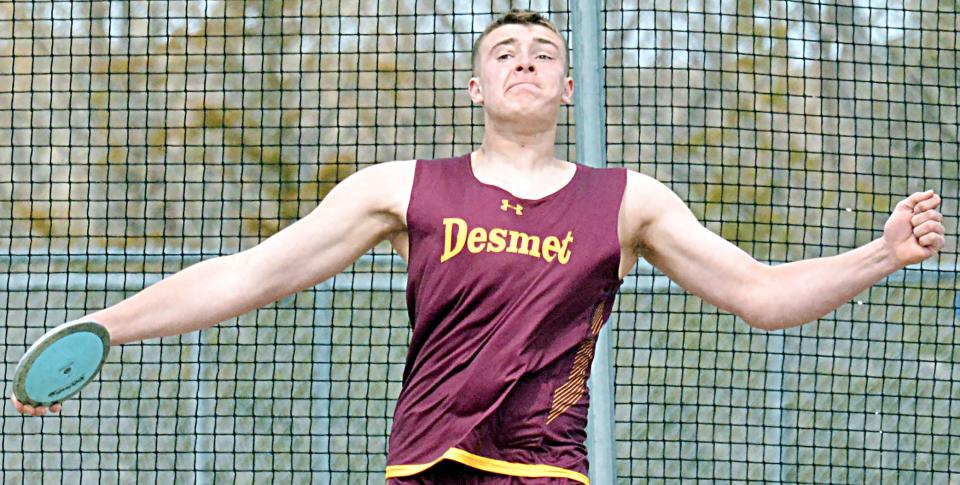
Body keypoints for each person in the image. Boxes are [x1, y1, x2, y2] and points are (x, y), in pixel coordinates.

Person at [11, 9, 946, 485]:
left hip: (543, 469)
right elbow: (251, 273)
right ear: (474, 86)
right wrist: (107, 324)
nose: (526, 61)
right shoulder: (402, 187)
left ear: (569, 87)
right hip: (422, 463)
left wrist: (881, 252)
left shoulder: (628, 202)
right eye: (504, 51)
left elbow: (762, 295)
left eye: (543, 51)